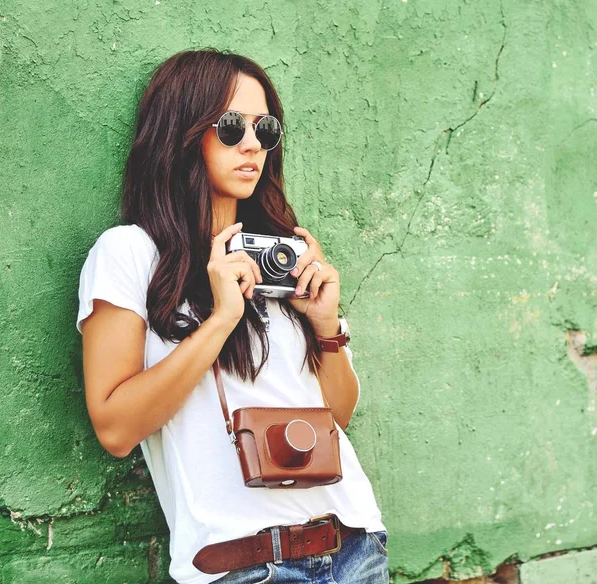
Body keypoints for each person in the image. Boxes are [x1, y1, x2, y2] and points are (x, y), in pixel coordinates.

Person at [76, 48, 388, 584]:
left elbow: (337, 416)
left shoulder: (283, 254)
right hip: (242, 565)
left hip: (353, 547)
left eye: (264, 129)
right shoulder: (130, 253)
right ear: (181, 131)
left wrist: (326, 328)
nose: (251, 144)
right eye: (228, 126)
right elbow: (115, 427)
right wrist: (221, 320)